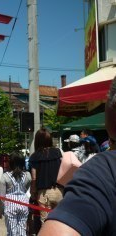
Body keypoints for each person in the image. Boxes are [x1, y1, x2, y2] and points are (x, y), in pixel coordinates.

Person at [39, 77, 116, 235]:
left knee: (45, 218)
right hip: (60, 193)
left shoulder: (103, 169)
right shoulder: (59, 152)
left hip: (49, 194)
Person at [29, 128, 63, 224]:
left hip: (44, 193)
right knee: (59, 221)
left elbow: (34, 177)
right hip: (59, 191)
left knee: (46, 222)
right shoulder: (58, 152)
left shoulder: (35, 156)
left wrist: (33, 192)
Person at [0, 151, 31, 236]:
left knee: (12, 231)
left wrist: (0, 211)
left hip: (10, 205)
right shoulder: (27, 175)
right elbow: (26, 189)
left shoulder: (5, 176)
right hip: (23, 204)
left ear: (11, 163)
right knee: (22, 231)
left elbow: (1, 197)